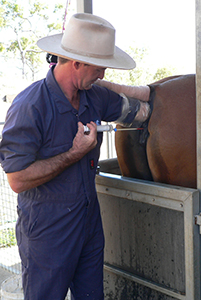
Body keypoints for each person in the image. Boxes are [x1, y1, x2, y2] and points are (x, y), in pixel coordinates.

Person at [0, 13, 150, 300]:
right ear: (77, 63)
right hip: (47, 229)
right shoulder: (30, 106)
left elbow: (139, 108)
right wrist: (74, 154)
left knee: (92, 295)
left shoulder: (94, 96)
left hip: (88, 222)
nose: (104, 75)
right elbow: (17, 179)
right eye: (99, 68)